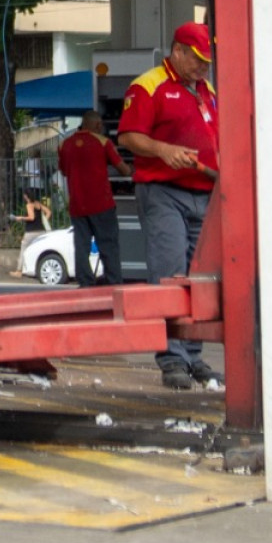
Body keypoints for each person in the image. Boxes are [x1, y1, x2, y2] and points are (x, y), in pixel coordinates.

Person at [118, 21, 221, 390]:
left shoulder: (205, 90)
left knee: (199, 279)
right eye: (196, 60)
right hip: (165, 193)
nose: (202, 68)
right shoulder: (148, 86)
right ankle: (172, 358)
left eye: (206, 62)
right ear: (177, 51)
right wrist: (164, 150)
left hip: (204, 191)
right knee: (170, 272)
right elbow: (128, 136)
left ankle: (193, 356)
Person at [57, 108, 130, 287]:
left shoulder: (64, 144)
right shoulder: (103, 142)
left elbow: (64, 171)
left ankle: (85, 283)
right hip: (102, 203)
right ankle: (113, 282)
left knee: (81, 247)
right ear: (98, 125)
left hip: (77, 205)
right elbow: (124, 169)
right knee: (108, 245)